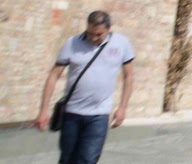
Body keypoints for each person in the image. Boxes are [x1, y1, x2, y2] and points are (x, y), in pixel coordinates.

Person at [34, 10, 135, 164]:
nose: (93, 38)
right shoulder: (72, 43)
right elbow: (54, 75)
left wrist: (122, 108)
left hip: (99, 114)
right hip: (72, 113)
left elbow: (129, 76)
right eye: (90, 33)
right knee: (67, 159)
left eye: (99, 34)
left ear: (108, 29)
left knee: (88, 159)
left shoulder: (122, 43)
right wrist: (43, 110)